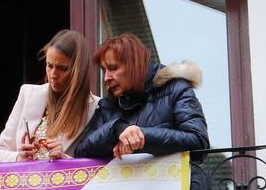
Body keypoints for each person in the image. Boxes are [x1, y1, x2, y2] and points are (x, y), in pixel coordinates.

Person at [72, 32, 210, 159]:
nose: (106, 78)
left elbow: (199, 141)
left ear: (135, 65)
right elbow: (81, 152)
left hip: (181, 179)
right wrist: (116, 129)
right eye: (104, 70)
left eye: (113, 68)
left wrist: (142, 136)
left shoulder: (176, 88)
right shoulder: (108, 106)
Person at [0, 29, 99, 162]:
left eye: (62, 68)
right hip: (25, 175)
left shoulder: (95, 107)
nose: (53, 74)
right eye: (49, 65)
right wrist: (19, 158)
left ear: (79, 70)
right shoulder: (28, 94)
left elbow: (100, 168)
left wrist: (65, 160)